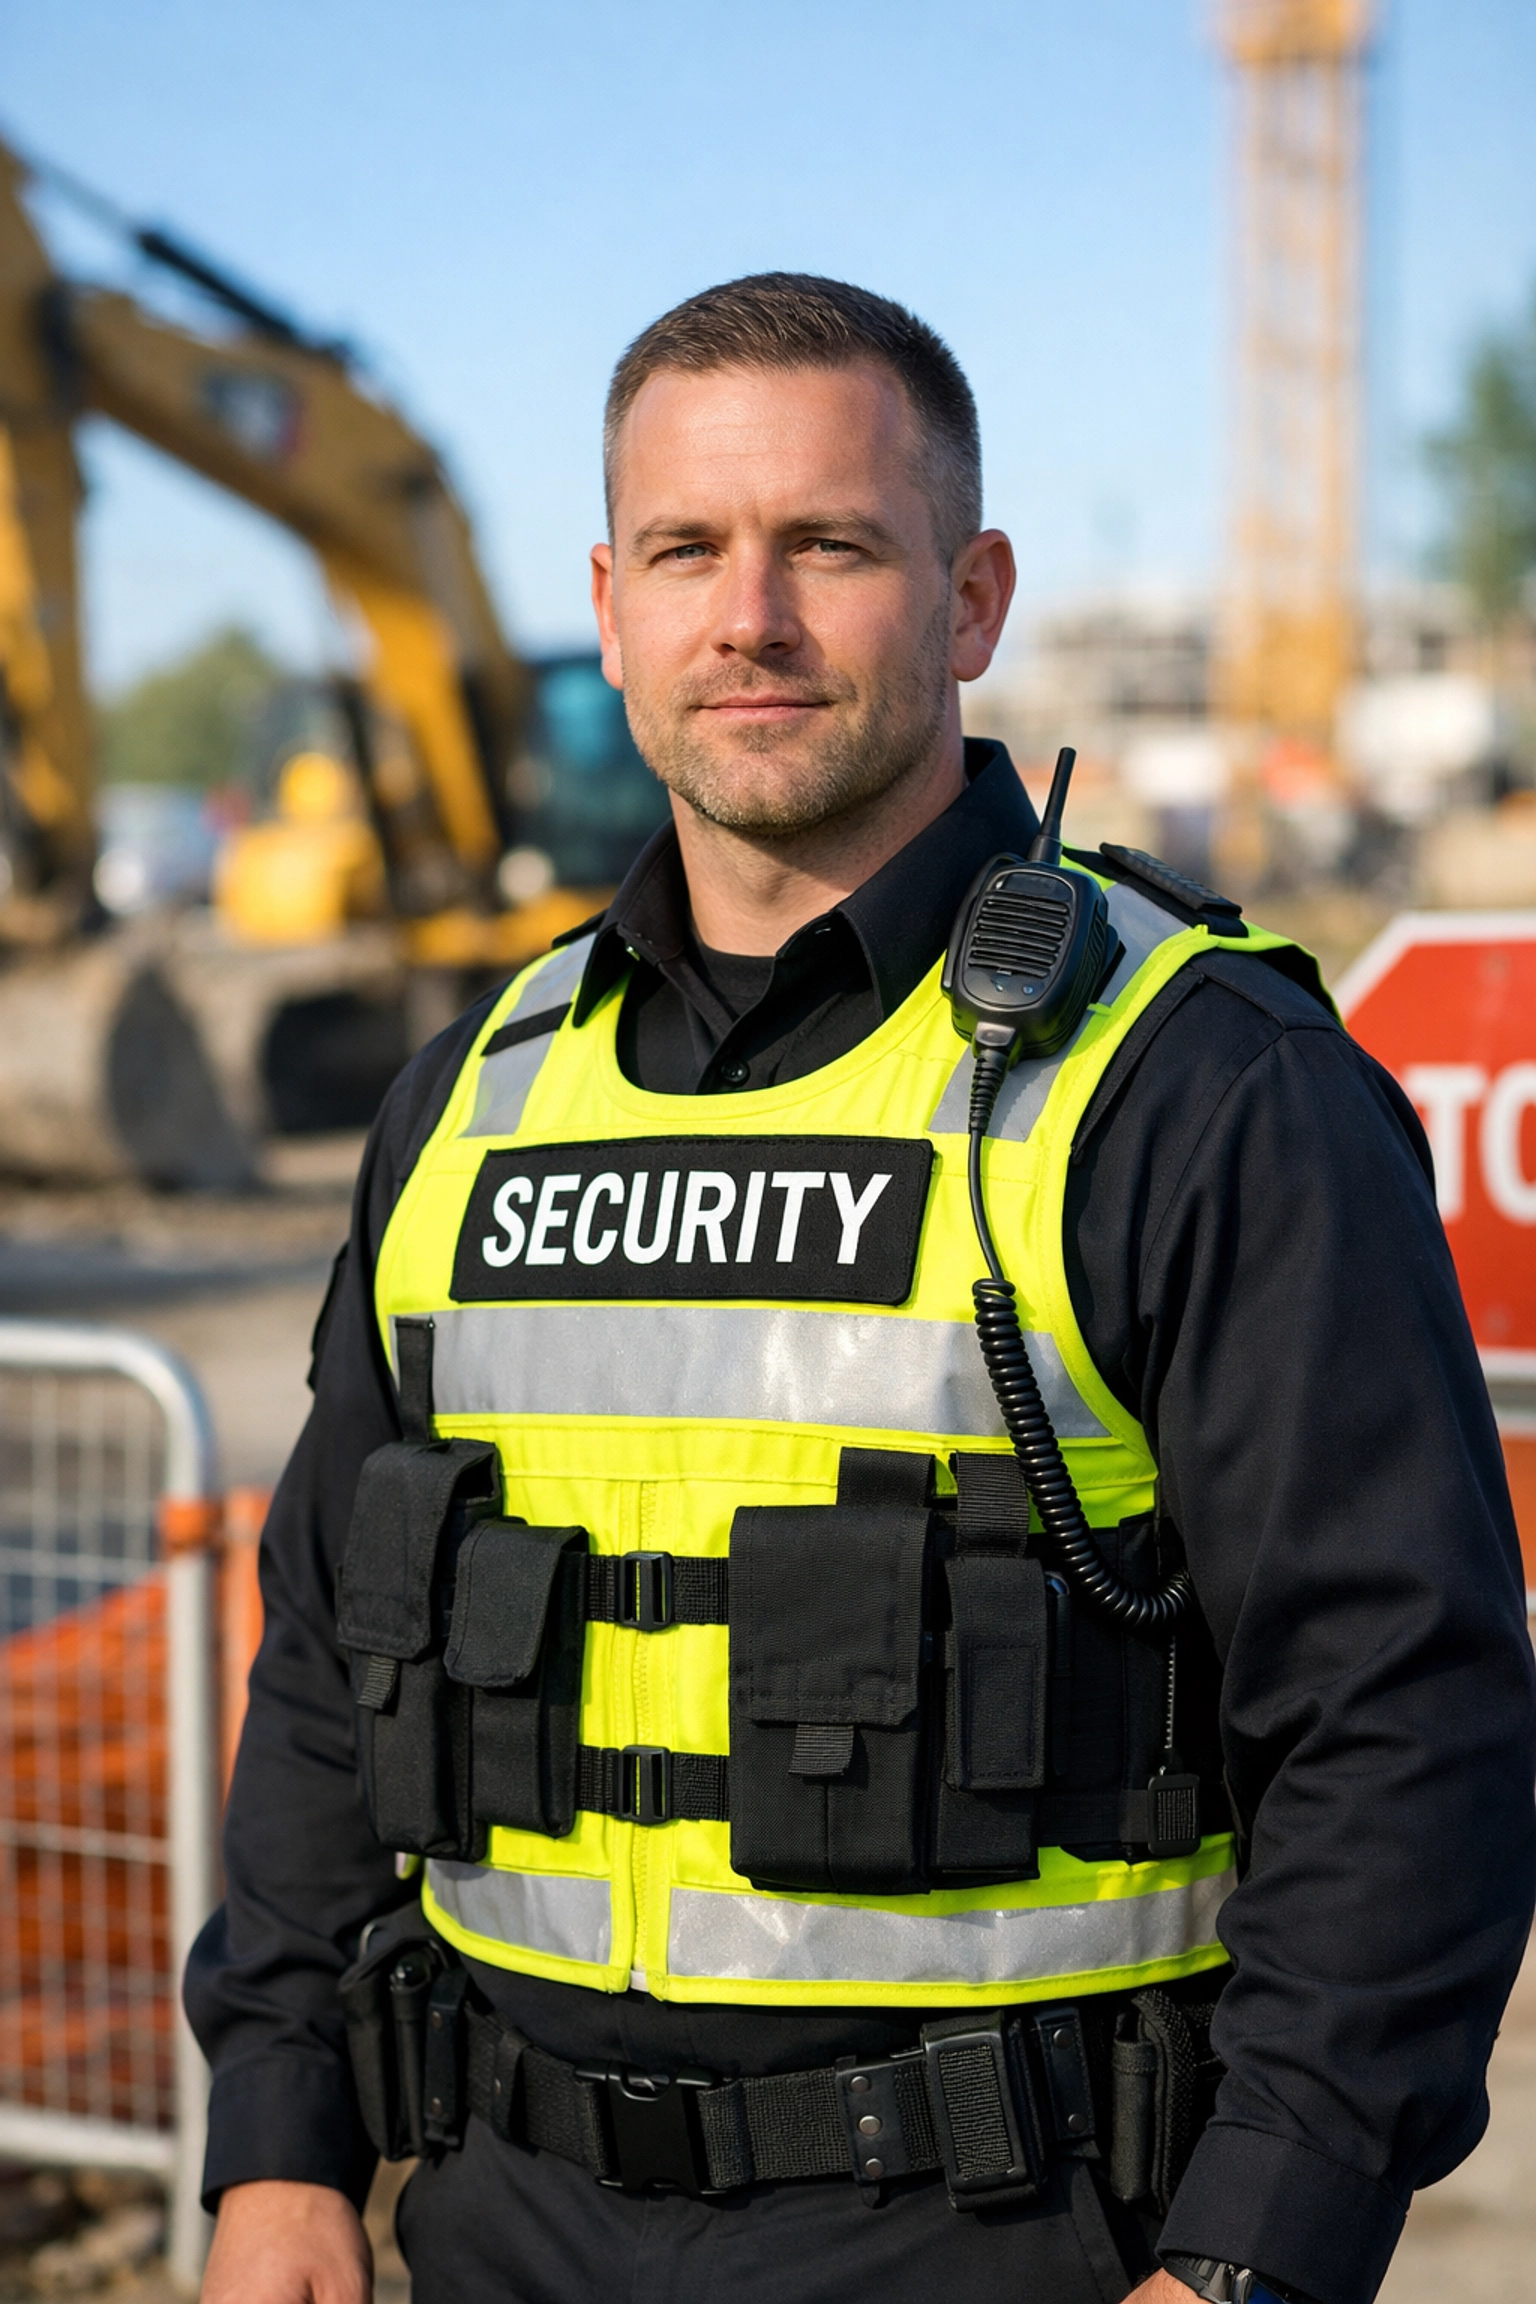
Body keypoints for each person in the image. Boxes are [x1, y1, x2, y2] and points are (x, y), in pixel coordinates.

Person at [190, 274, 1535, 2304]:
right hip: (501, 2231)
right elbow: (320, 1664)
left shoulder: (1200, 1087)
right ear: (613, 602)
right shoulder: (468, 1100)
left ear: (975, 600)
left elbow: (1402, 1723)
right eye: (686, 552)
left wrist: (1260, 2255)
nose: (752, 616)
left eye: (828, 543)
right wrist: (277, 2149)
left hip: (1011, 2244)